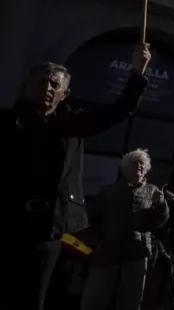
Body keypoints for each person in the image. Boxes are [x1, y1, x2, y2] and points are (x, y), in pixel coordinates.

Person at [8, 44, 151, 310]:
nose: (48, 88)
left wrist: (138, 72)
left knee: (49, 299)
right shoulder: (9, 124)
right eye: (42, 82)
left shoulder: (72, 125)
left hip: (60, 229)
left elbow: (118, 111)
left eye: (55, 84)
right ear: (25, 85)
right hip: (14, 227)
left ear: (65, 94)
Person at [81, 149, 170, 310]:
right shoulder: (107, 192)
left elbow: (160, 222)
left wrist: (162, 205)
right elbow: (91, 219)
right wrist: (96, 244)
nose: (139, 166)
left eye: (142, 163)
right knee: (94, 299)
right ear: (124, 168)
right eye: (134, 162)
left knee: (130, 302)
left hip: (137, 253)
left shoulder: (152, 191)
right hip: (107, 251)